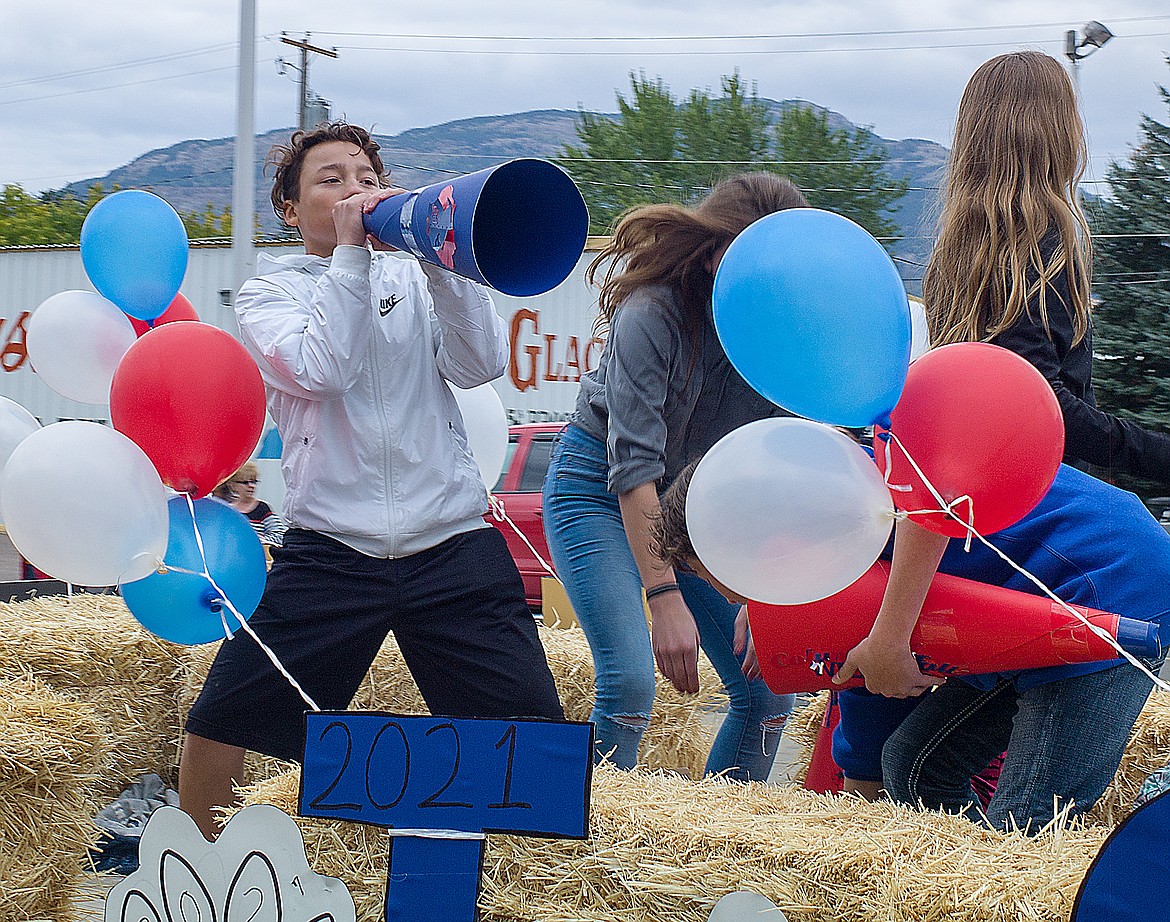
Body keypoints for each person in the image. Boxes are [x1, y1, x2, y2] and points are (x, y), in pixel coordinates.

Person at [180, 122, 563, 840]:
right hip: (332, 549)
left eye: (364, 175)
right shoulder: (269, 294)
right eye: (330, 179)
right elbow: (324, 369)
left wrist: (441, 259)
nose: (353, 189)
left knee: (535, 736)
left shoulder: (415, 275)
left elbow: (479, 365)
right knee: (222, 720)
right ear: (291, 211)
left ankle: (535, 883)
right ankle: (201, 877)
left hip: (451, 542)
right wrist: (353, 256)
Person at [832, 52, 1170, 832]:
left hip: (1096, 580)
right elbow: (1031, 419)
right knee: (914, 769)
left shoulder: (971, 251)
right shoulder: (1038, 244)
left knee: (1019, 830)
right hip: (1061, 566)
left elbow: (1013, 425)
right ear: (1061, 131)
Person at [542, 173, 808, 781]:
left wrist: (760, 587)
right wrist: (664, 600)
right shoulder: (653, 312)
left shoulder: (787, 334)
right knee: (631, 681)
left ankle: (720, 839)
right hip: (601, 489)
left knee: (767, 690)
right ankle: (593, 845)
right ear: (716, 255)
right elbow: (634, 468)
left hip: (702, 501)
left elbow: (773, 468)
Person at [214, 461, 287, 547]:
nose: (251, 486)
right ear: (233, 485)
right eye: (245, 482)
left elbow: (280, 536)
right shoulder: (228, 511)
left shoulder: (262, 509)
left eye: (254, 482)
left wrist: (259, 540)